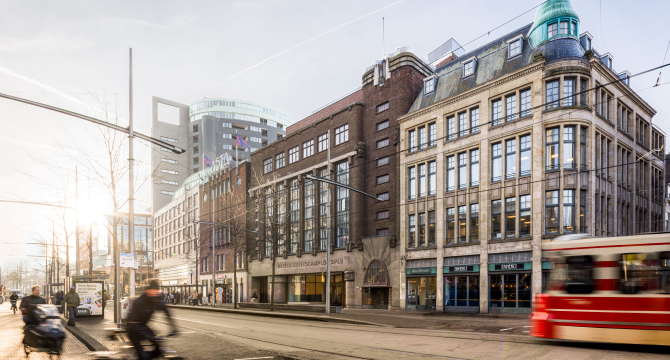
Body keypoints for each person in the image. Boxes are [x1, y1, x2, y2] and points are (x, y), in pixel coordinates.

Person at [127, 280, 177, 360]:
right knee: (143, 357)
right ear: (148, 290)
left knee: (159, 349)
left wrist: (173, 327)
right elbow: (133, 323)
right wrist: (150, 337)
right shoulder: (140, 302)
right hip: (133, 330)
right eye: (153, 290)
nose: (155, 293)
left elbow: (165, 310)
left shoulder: (155, 300)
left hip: (143, 326)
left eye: (156, 291)